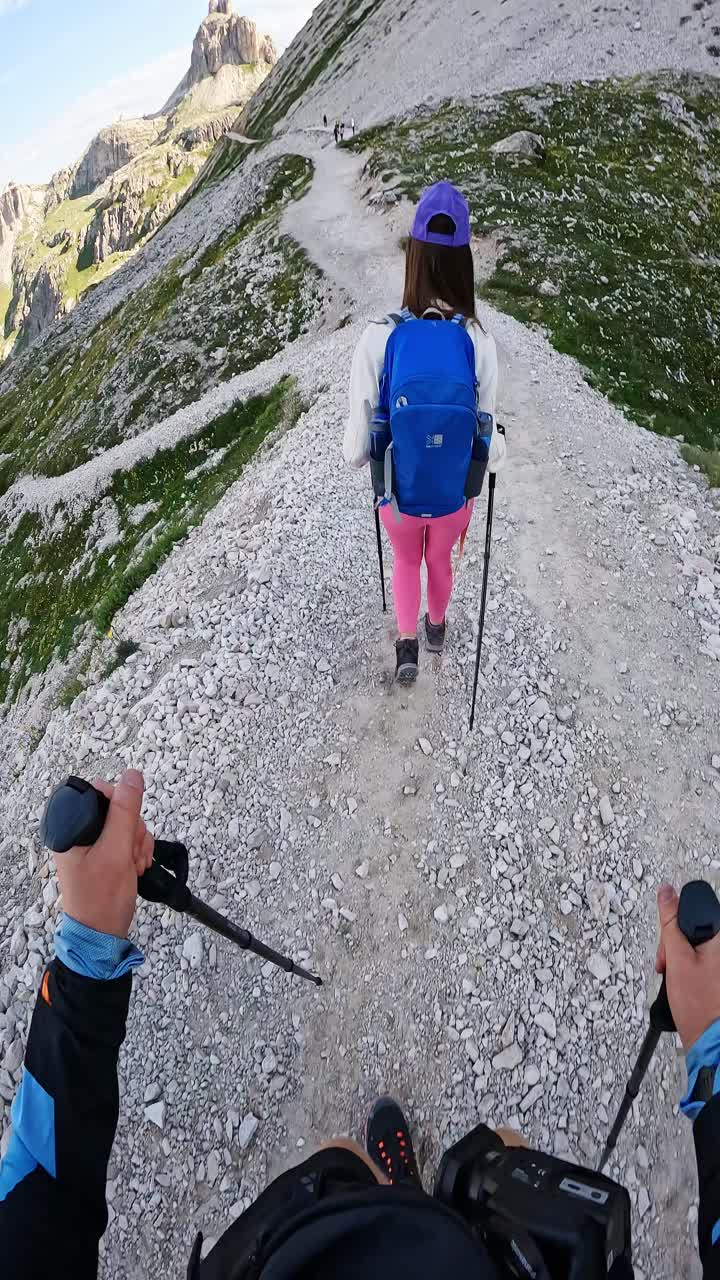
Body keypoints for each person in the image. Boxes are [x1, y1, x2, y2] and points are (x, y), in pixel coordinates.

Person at [1, 771, 720, 1279]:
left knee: (354, 1160)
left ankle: (396, 1189)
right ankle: (401, 1191)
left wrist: (91, 947)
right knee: (485, 1153)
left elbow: (42, 1186)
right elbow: (42, 1179)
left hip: (307, 1257)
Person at [344, 180, 505, 683]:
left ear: (412, 255)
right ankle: (437, 627)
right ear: (465, 264)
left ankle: (407, 643)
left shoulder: (378, 337)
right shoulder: (477, 341)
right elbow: (489, 446)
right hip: (455, 496)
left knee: (406, 558)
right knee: (440, 560)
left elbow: (355, 450)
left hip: (398, 495)